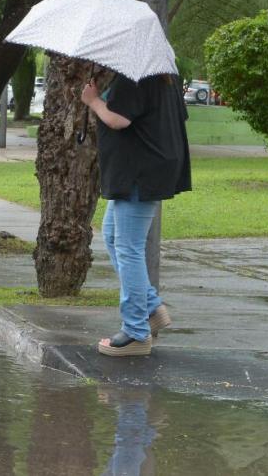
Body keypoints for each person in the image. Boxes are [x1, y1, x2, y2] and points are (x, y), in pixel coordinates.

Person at [81, 73, 191, 357]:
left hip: (138, 171)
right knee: (114, 235)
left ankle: (136, 332)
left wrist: (93, 102)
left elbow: (119, 119)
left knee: (128, 247)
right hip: (147, 168)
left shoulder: (135, 78)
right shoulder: (164, 76)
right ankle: (151, 307)